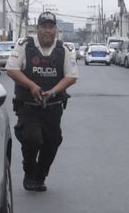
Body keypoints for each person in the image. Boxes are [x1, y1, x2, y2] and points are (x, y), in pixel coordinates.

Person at [7, 11, 78, 192]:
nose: (48, 31)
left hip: (53, 108)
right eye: (44, 27)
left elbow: (71, 76)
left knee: (52, 142)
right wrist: (32, 86)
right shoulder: (24, 46)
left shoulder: (65, 49)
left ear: (56, 29)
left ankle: (40, 175)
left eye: (51, 27)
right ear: (37, 29)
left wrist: (53, 92)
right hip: (29, 107)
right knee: (32, 139)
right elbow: (12, 70)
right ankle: (29, 172)